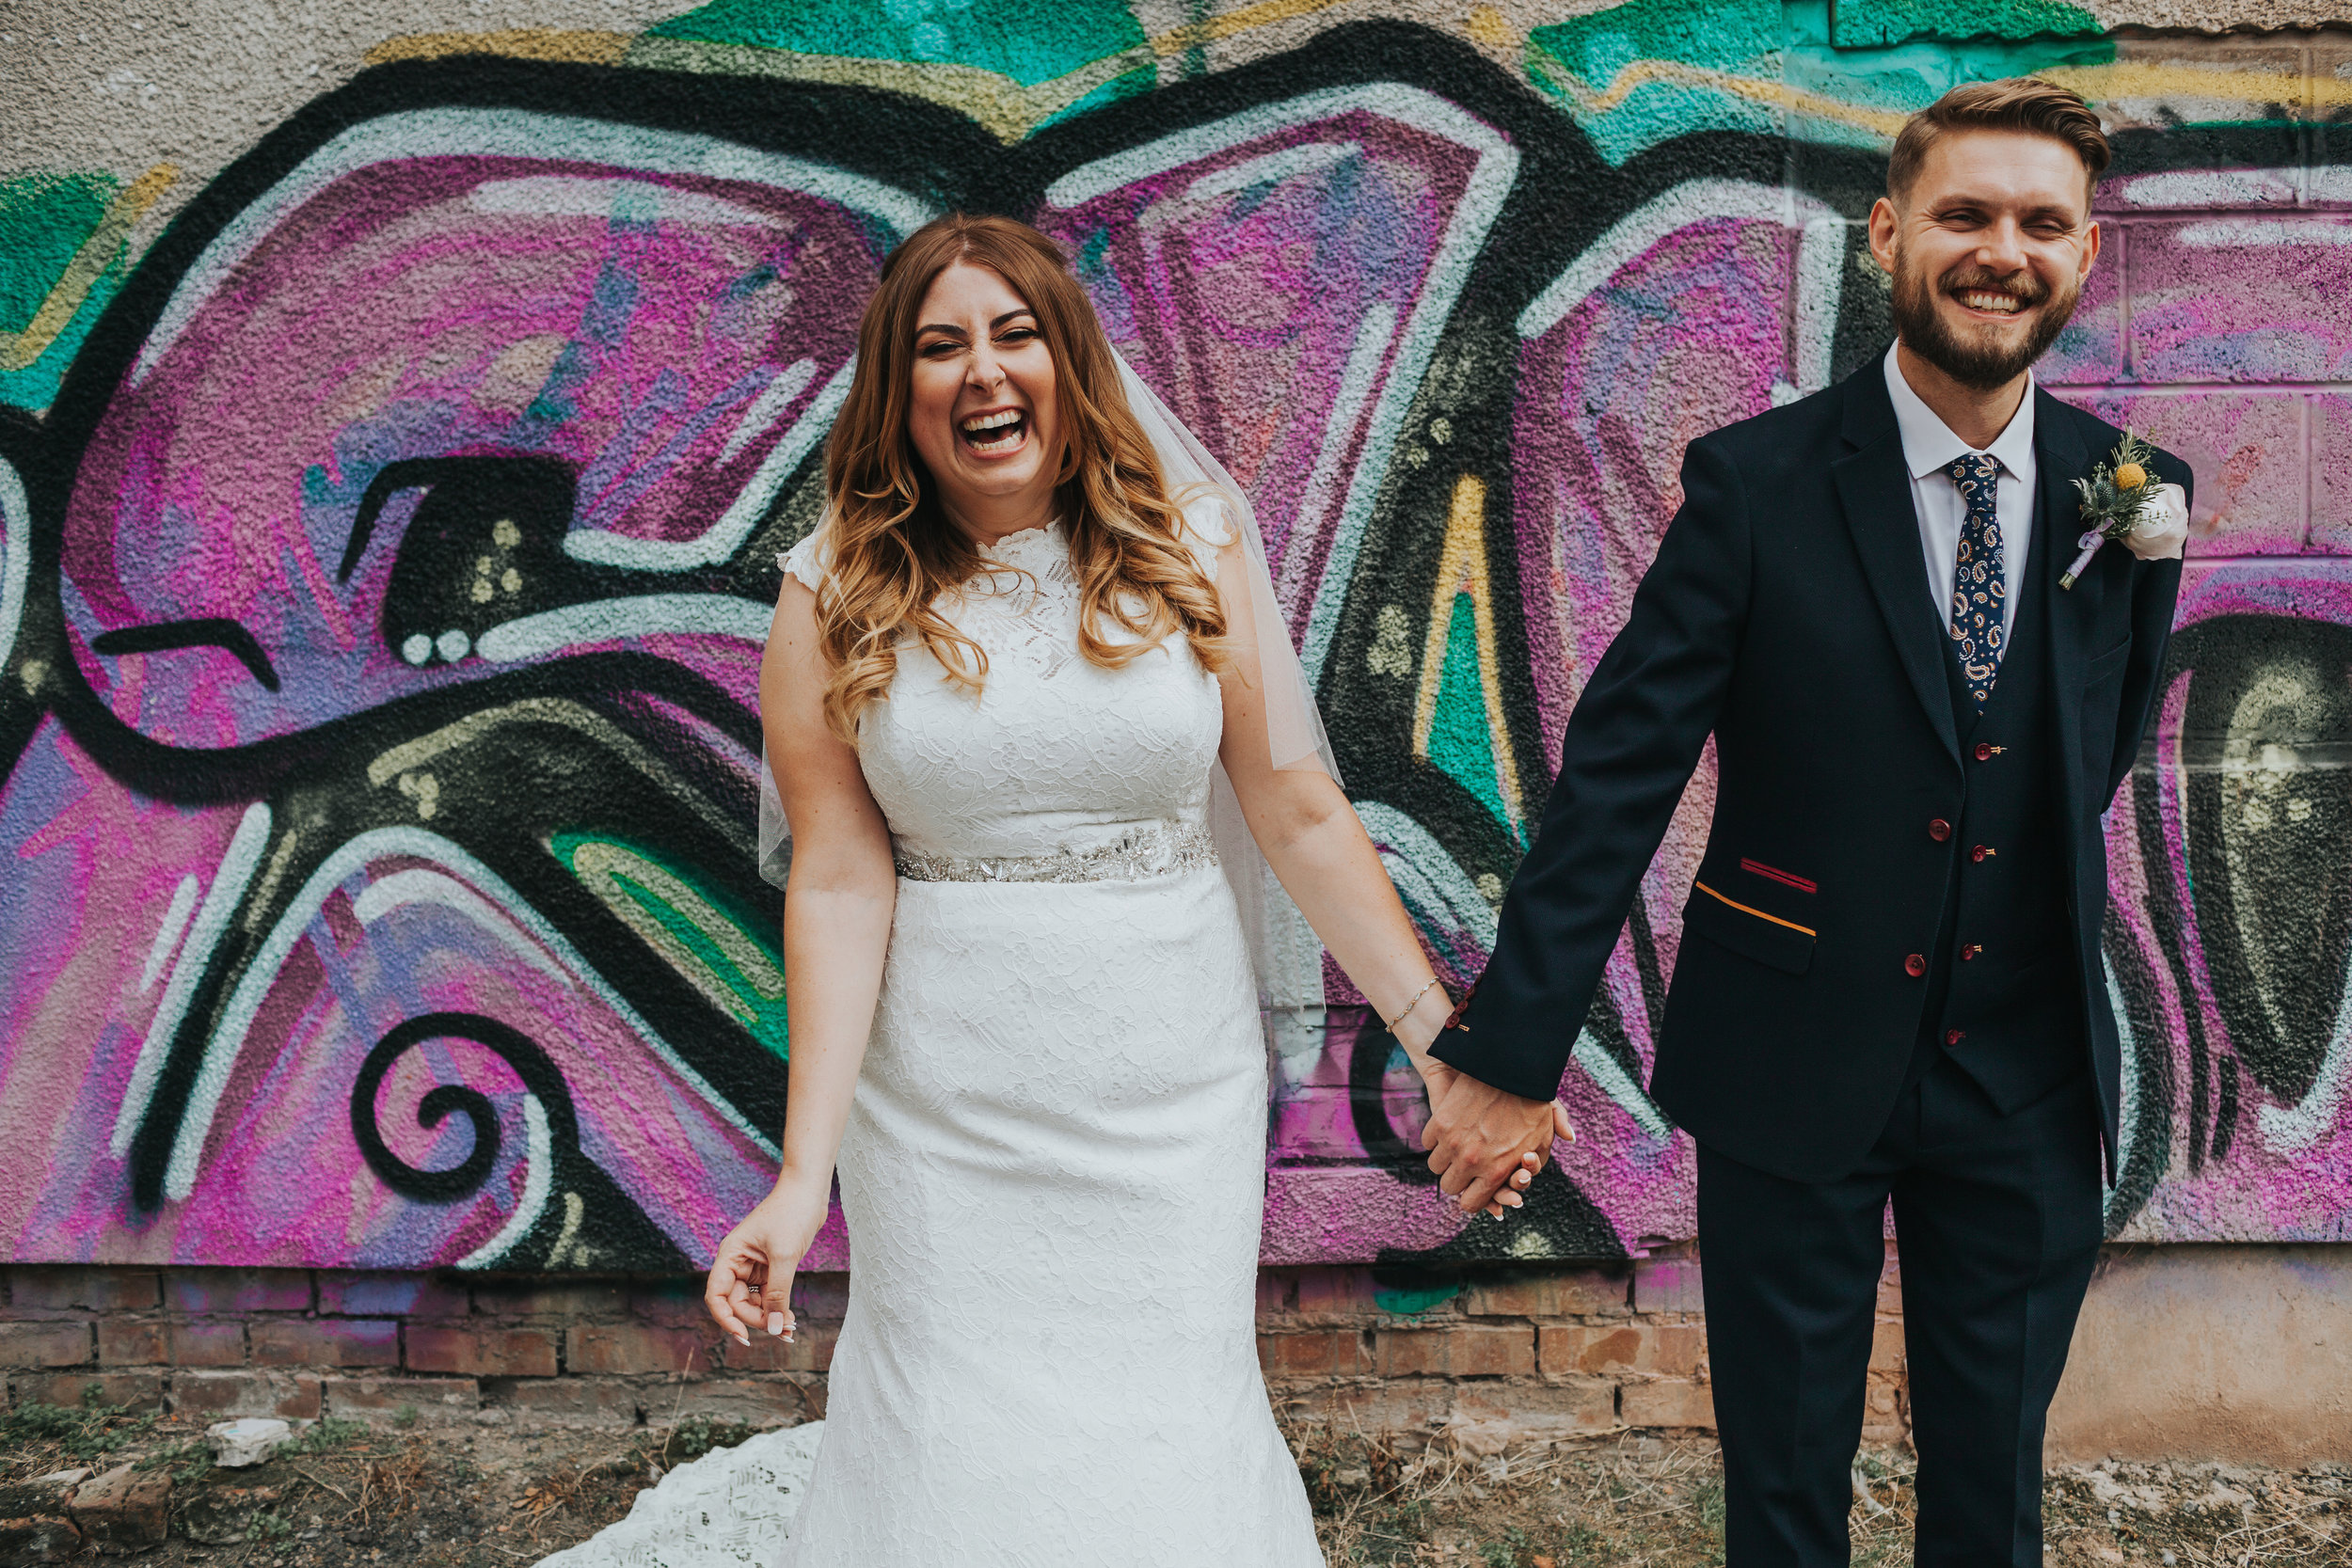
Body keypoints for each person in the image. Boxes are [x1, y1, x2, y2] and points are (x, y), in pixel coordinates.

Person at [702, 214, 1565, 1563]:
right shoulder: (831, 593)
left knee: (1162, 1424)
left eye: (1014, 334)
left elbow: (1297, 810)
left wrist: (1439, 1046)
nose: (983, 373)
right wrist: (800, 1173)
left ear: (1068, 361)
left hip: (1164, 1084)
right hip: (940, 1103)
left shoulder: (1192, 545)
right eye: (940, 348)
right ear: (898, 392)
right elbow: (837, 878)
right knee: (949, 1433)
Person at [1420, 81, 2191, 1564]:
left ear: (2086, 256)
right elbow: (1618, 775)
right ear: (1890, 233)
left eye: (2042, 223)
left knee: (1995, 1493)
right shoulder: (1756, 485)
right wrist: (1511, 1052)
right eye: (1965, 214)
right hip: (1790, 1059)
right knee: (1783, 1492)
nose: (2001, 250)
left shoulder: (2129, 494)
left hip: (2027, 1072)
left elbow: (2082, 758)